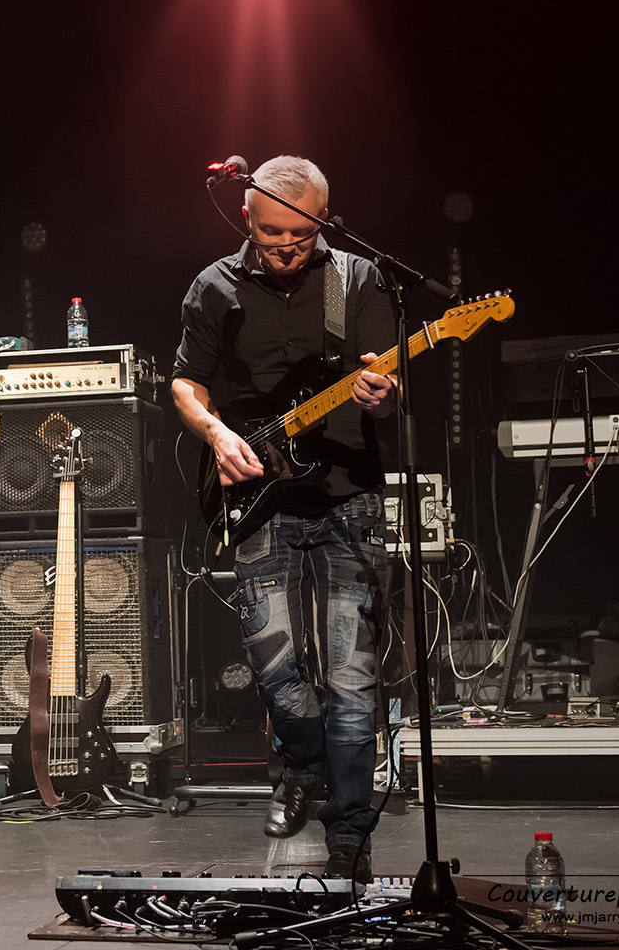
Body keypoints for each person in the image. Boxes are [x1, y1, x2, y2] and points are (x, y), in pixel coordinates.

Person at [171, 155, 397, 883]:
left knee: (352, 678)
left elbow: (386, 382)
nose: (285, 247)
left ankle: (351, 831)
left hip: (348, 495)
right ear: (247, 217)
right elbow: (185, 383)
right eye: (271, 233)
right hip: (256, 492)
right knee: (274, 667)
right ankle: (300, 765)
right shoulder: (215, 287)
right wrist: (217, 435)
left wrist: (381, 394)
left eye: (299, 234)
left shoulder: (359, 280)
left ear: (323, 220)